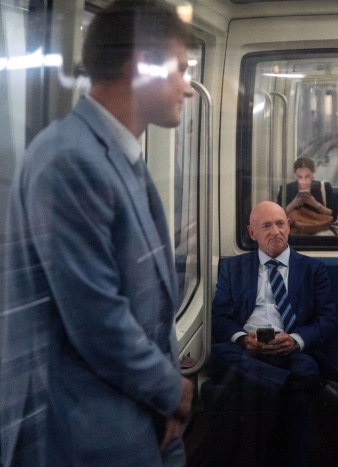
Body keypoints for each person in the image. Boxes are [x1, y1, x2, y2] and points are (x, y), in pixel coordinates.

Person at [0, 1, 195, 466]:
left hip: (130, 410)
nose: (188, 88)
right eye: (181, 70)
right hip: (81, 429)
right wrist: (173, 390)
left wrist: (162, 396)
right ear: (141, 66)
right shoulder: (69, 160)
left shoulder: (118, 156)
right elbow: (97, 318)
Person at [208, 201, 338, 467]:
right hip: (247, 351)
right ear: (252, 233)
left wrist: (296, 340)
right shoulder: (233, 268)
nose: (275, 231)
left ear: (288, 226)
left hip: (290, 351)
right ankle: (292, 384)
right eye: (266, 226)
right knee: (218, 354)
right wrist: (243, 339)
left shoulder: (312, 269)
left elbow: (327, 319)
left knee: (303, 368)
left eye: (280, 223)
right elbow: (220, 319)